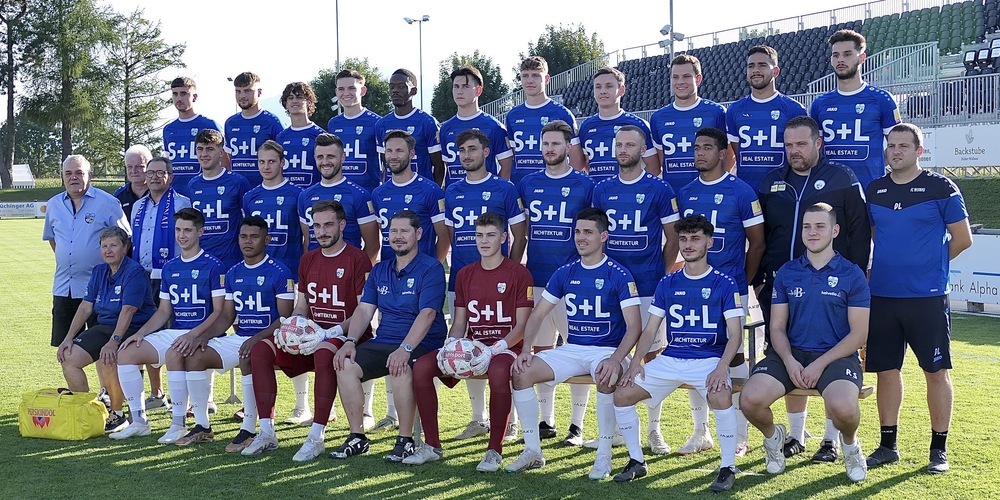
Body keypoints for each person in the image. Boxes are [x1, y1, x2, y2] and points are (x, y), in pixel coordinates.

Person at [757, 115, 870, 458]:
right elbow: (763, 235)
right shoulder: (773, 182)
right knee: (790, 354)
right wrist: (763, 280)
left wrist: (857, 277)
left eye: (801, 143)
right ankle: (795, 435)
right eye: (788, 145)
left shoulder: (841, 178)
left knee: (828, 357)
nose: (794, 151)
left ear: (818, 143)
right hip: (781, 287)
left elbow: (859, 231)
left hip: (833, 286)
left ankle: (829, 439)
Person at [864, 123, 972, 474]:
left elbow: (962, 238)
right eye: (890, 146)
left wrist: (930, 268)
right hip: (882, 296)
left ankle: (939, 449)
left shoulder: (941, 187)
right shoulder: (875, 189)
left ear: (918, 151)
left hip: (927, 299)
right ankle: (887, 445)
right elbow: (875, 237)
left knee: (936, 371)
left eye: (903, 146)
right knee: (886, 372)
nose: (895, 152)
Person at [505, 207, 642, 481]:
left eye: (588, 232)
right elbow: (538, 314)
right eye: (578, 231)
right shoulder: (565, 272)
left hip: (607, 350)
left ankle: (604, 454)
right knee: (520, 373)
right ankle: (533, 450)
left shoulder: (619, 274)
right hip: (573, 348)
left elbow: (635, 326)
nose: (581, 237)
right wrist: (526, 349)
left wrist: (617, 359)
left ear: (603, 236)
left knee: (606, 374)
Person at [611, 215, 745, 492]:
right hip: (671, 358)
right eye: (683, 239)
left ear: (709, 242)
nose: (688, 244)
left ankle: (728, 466)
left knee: (720, 396)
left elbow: (736, 334)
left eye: (695, 238)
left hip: (708, 358)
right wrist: (636, 362)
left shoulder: (724, 282)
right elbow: (649, 331)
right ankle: (636, 460)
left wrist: (722, 368)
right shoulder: (668, 282)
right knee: (622, 394)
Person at [741, 202, 871, 483]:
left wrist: (820, 364)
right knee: (749, 400)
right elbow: (776, 327)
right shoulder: (788, 272)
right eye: (807, 226)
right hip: (791, 354)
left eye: (820, 226)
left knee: (845, 410)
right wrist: (789, 361)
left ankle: (850, 446)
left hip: (835, 357)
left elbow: (859, 334)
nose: (812, 232)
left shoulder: (852, 274)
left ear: (834, 230)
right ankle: (774, 438)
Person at [244, 200, 373, 459]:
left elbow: (362, 311)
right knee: (260, 350)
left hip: (347, 336)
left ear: (342, 225)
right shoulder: (308, 259)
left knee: (325, 351)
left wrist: (329, 332)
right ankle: (267, 432)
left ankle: (316, 436)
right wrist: (293, 328)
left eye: (328, 225)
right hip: (310, 334)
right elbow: (301, 306)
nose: (322, 231)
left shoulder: (357, 259)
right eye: (316, 226)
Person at [406, 212, 534, 471]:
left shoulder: (519, 274)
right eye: (479, 235)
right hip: (474, 346)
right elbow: (460, 323)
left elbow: (522, 326)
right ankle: (431, 445)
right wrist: (451, 345)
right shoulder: (465, 274)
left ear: (503, 238)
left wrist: (496, 348)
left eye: (490, 235)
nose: (484, 241)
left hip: (506, 347)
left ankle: (494, 450)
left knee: (499, 371)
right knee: (421, 367)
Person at [164, 215, 295, 446]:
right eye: (243, 236)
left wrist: (256, 338)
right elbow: (226, 316)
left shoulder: (280, 272)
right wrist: (203, 337)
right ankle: (202, 425)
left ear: (267, 239)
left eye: (254, 237)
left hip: (270, 338)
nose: (248, 241)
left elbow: (285, 318)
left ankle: (249, 428)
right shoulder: (233, 272)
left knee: (249, 354)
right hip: (241, 337)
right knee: (194, 355)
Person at [330, 209, 448, 462]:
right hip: (385, 340)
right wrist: (349, 341)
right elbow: (364, 309)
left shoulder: (431, 268)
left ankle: (404, 440)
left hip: (422, 343)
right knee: (345, 364)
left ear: (418, 233)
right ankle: (357, 437)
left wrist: (405, 349)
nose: (398, 236)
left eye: (404, 231)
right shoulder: (380, 269)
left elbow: (427, 314)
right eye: (393, 231)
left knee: (400, 367)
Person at [591, 125, 679, 453]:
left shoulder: (659, 188)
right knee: (611, 352)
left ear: (643, 150)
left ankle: (654, 430)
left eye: (630, 144)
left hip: (646, 284)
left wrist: (663, 273)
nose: (623, 149)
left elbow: (672, 237)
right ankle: (611, 431)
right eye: (619, 144)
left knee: (650, 356)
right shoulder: (602, 190)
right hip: (610, 288)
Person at [677, 126, 765, 456]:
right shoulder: (685, 192)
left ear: (723, 152)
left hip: (729, 289)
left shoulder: (742, 191)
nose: (700, 153)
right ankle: (701, 431)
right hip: (692, 290)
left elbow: (757, 244)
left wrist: (741, 282)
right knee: (697, 354)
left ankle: (740, 435)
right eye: (696, 147)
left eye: (707, 148)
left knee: (737, 356)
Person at [109, 208, 226, 440]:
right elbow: (164, 311)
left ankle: (179, 423)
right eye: (178, 230)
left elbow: (220, 311)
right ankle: (139, 421)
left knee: (175, 352)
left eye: (188, 230)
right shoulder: (170, 267)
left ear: (200, 232)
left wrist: (194, 334)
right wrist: (140, 334)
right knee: (126, 353)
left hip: (203, 335)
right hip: (175, 332)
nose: (182, 235)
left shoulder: (214, 266)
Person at [515, 119, 595, 445]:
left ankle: (576, 426)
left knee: (578, 350)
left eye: (556, 144)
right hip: (537, 278)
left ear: (568, 147)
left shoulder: (585, 185)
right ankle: (546, 421)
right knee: (542, 350)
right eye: (545, 143)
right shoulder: (528, 183)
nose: (550, 149)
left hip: (574, 281)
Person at [444, 129, 526, 440]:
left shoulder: (504, 188)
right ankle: (478, 418)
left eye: (473, 149)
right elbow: (452, 238)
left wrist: (512, 272)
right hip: (464, 279)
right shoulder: (452, 191)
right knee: (468, 343)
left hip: (501, 281)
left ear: (486, 152)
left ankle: (511, 420)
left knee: (505, 345)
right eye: (462, 150)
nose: (467, 155)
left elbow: (520, 234)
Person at [56, 227, 156, 433]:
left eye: (113, 245)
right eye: (104, 246)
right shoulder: (99, 271)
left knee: (109, 357)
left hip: (134, 327)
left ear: (125, 247)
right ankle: (84, 409)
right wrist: (68, 338)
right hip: (105, 326)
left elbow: (128, 311)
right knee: (69, 357)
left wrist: (113, 341)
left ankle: (117, 415)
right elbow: (85, 306)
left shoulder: (134, 272)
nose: (108, 250)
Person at [44, 155, 129, 349]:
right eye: (68, 173)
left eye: (79, 173)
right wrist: (70, 258)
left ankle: (106, 382)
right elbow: (52, 238)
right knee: (65, 348)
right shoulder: (54, 205)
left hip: (101, 289)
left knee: (103, 349)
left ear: (90, 175)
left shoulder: (108, 203)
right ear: (62, 177)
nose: (73, 177)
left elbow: (125, 240)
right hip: (64, 287)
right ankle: (73, 382)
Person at [129, 155, 192, 411]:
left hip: (170, 278)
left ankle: (185, 397)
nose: (154, 176)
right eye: (150, 172)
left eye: (160, 172)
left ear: (170, 177)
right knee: (146, 334)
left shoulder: (182, 203)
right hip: (142, 278)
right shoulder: (138, 206)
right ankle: (157, 392)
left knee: (174, 336)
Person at [810, 30, 900, 189]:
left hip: (870, 191)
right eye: (836, 55)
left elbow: (898, 144)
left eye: (847, 54)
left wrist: (875, 164)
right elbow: (815, 151)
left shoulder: (882, 99)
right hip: (829, 192)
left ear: (862, 58)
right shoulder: (819, 104)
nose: (840, 60)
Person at [726, 46, 807, 192]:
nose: (756, 70)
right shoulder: (734, 110)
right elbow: (736, 153)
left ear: (775, 71)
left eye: (762, 65)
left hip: (783, 192)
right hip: (747, 192)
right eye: (751, 66)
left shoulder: (794, 109)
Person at [650, 54, 730, 195]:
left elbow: (728, 154)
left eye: (686, 76)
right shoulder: (658, 117)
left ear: (698, 79)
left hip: (708, 193)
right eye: (675, 77)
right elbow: (663, 160)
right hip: (673, 195)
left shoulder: (716, 112)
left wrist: (718, 182)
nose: (680, 81)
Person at [298, 133, 380, 264]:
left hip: (347, 276)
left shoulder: (359, 195)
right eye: (320, 157)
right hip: (316, 274)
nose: (325, 162)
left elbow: (373, 246)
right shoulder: (304, 196)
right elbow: (308, 242)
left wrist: (355, 271)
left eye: (330, 156)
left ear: (342, 158)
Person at [505, 56, 586, 185]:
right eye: (525, 76)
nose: (530, 80)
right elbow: (512, 157)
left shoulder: (562, 114)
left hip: (553, 187)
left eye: (536, 75)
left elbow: (577, 160)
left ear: (547, 79)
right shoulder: (512, 116)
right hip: (521, 187)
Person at [372, 130, 449, 265]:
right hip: (389, 272)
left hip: (422, 273)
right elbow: (383, 235)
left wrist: (432, 268)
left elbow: (445, 238)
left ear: (411, 154)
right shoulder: (378, 193)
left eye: (399, 151)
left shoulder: (431, 190)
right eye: (389, 151)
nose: (393, 156)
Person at [187, 129, 252, 272]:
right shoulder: (193, 185)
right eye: (200, 149)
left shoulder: (238, 182)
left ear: (221, 152)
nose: (204, 154)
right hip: (201, 262)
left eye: (210, 149)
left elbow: (250, 222)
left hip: (231, 261)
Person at [577, 67, 658, 182]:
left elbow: (654, 167)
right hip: (598, 195)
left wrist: (634, 188)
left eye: (609, 86)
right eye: (598, 87)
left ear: (622, 90)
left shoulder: (638, 125)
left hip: (627, 196)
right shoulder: (586, 126)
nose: (603, 91)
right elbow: (585, 164)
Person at [439, 65, 513, 183]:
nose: (459, 91)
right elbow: (443, 167)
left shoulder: (493, 126)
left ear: (478, 90)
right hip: (455, 198)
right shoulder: (445, 128)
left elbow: (507, 166)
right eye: (456, 86)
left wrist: (495, 191)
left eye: (465, 86)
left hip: (485, 197)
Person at [243, 140, 307, 276]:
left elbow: (307, 238)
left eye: (271, 161)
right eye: (262, 162)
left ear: (282, 162)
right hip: (258, 271)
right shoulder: (249, 197)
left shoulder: (298, 194)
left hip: (290, 271)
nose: (266, 167)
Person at [375, 69, 445, 185]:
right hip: (392, 193)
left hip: (421, 193)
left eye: (401, 86)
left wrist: (434, 194)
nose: (395, 91)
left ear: (414, 91)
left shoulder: (427, 122)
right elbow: (385, 166)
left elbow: (439, 166)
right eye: (392, 87)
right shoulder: (381, 124)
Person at [163, 76, 222, 197]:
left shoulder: (209, 125)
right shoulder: (168, 130)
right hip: (176, 194)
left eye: (184, 94)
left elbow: (224, 160)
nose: (179, 98)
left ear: (194, 97)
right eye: (175, 94)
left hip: (204, 191)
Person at [327, 68, 383, 193]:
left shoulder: (377, 122)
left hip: (368, 192)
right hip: (340, 192)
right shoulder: (333, 123)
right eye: (341, 89)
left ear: (362, 91)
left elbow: (386, 163)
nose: (346, 93)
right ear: (336, 92)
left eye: (351, 88)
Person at [225, 71, 284, 187]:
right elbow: (228, 158)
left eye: (247, 91)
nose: (242, 96)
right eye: (238, 91)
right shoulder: (230, 123)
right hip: (237, 189)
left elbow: (282, 157)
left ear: (259, 92)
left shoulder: (271, 121)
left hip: (263, 189)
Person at [277, 82, 326, 188]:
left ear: (309, 102)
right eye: (290, 98)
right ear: (285, 103)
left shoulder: (320, 135)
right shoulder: (280, 137)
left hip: (313, 195)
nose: (294, 101)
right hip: (287, 196)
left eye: (299, 97)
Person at [114, 145, 151, 223]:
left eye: (139, 166)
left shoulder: (158, 193)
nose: (133, 171)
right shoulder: (119, 197)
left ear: (149, 167)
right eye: (130, 167)